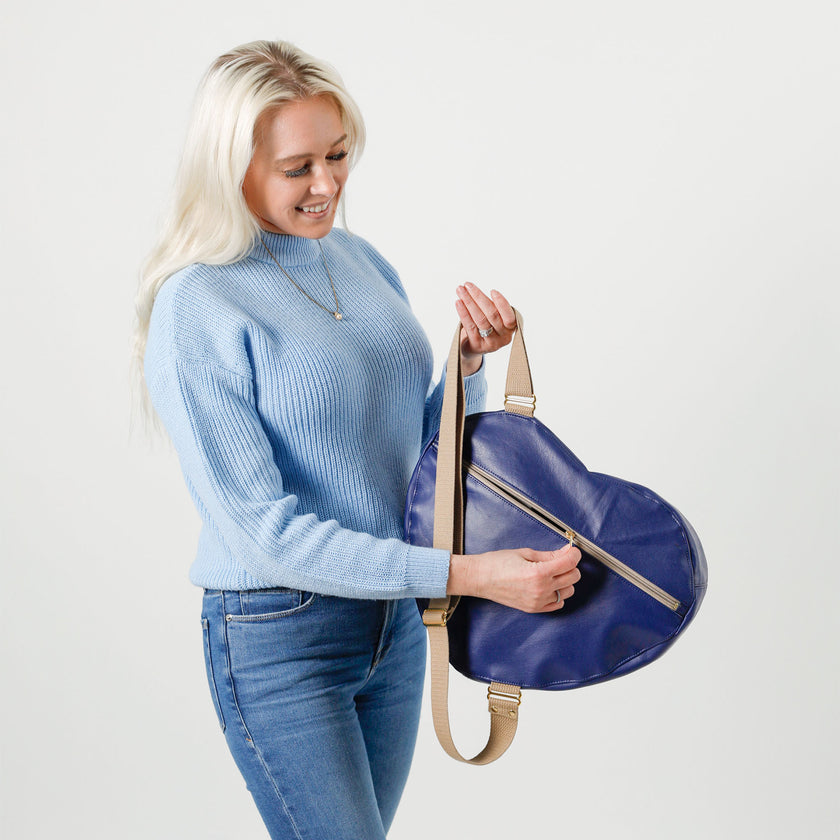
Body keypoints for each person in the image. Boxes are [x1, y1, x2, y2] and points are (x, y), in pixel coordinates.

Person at [134, 39, 581, 839]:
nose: (329, 184)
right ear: (230, 167)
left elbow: (419, 458)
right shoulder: (196, 305)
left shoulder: (356, 258)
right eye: (298, 167)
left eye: (338, 155)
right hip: (282, 635)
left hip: (398, 623)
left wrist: (468, 367)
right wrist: (468, 574)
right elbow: (266, 537)